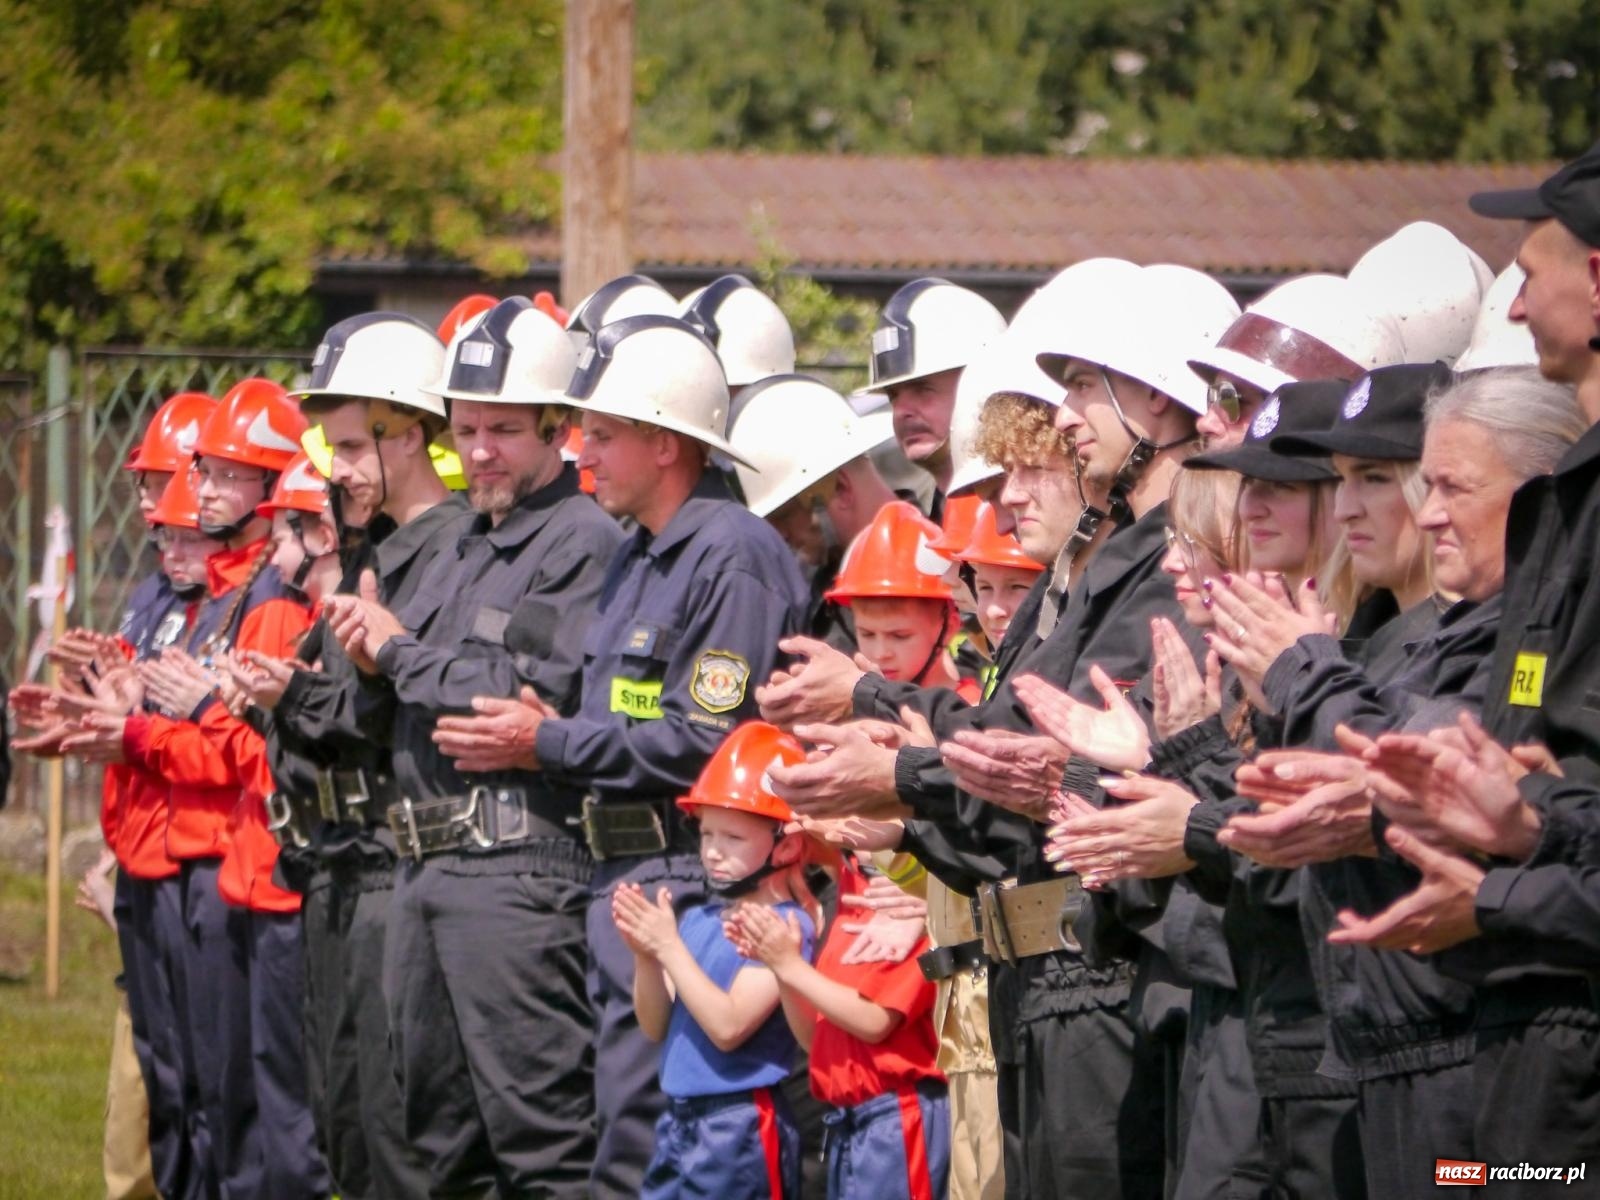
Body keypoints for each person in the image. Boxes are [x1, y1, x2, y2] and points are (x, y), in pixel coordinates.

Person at [427, 313, 810, 1197]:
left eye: (600, 432)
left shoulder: (731, 558)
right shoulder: (641, 553)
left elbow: (708, 742)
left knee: (668, 1153)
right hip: (632, 882)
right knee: (625, 1141)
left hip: (694, 885)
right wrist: (552, 726)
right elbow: (632, 717)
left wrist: (546, 740)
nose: (582, 449)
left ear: (667, 442)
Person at [322, 296, 620, 1198]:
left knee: (541, 1147)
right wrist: (385, 661)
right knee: (430, 1150)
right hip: (423, 870)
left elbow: (511, 694)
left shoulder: (583, 539)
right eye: (467, 428)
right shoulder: (461, 544)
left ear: (559, 431)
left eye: (504, 431)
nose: (481, 450)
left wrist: (401, 651)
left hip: (519, 872)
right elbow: (434, 683)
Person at [254, 310, 461, 1200]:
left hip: (398, 865)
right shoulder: (373, 551)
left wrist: (295, 697)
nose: (334, 470)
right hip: (337, 869)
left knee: (395, 1128)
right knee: (343, 1123)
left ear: (406, 435)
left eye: (348, 446)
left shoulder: (450, 552)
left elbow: (385, 714)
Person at [617, 722, 818, 1200]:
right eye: (706, 834)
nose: (712, 852)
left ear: (785, 844)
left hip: (740, 1125)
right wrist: (646, 958)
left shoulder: (786, 927)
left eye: (732, 837)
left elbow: (728, 1027)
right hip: (681, 1119)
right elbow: (655, 1026)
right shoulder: (697, 919)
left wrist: (667, 948)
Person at [730, 854, 947, 1200]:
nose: (797, 822)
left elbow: (876, 1021)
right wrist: (780, 968)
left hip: (899, 1115)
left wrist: (790, 966)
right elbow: (815, 1040)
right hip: (853, 1122)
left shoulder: (900, 889)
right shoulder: (846, 892)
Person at [726, 373, 897, 651]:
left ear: (841, 488)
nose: (779, 535)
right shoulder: (818, 579)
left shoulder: (927, 570)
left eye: (783, 516)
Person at [853, 278, 1006, 514]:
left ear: (982, 386)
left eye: (921, 389)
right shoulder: (934, 517)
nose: (902, 411)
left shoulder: (1024, 518)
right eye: (893, 396)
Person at [825, 501, 969, 695]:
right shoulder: (849, 708)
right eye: (867, 634)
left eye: (899, 636)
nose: (880, 654)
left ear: (949, 628)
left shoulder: (971, 713)